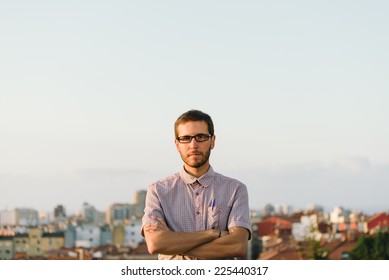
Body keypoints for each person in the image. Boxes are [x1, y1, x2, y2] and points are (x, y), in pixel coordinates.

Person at [142, 109, 251, 260]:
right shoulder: (158, 191)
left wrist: (173, 243)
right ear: (177, 144)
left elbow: (236, 246)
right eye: (185, 138)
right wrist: (213, 233)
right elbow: (155, 244)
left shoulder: (235, 189)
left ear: (212, 141)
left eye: (200, 137)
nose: (193, 145)